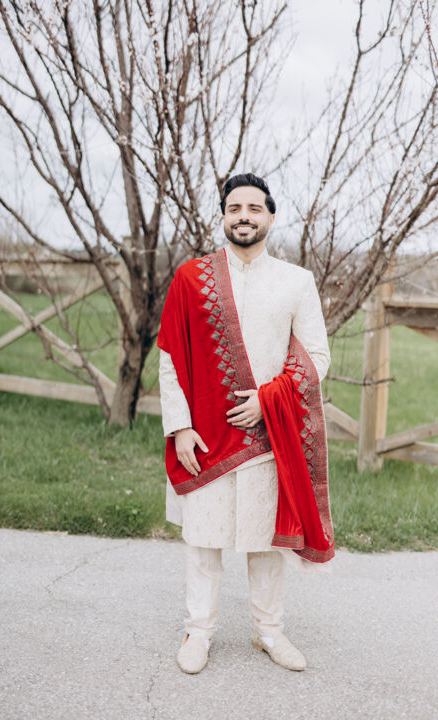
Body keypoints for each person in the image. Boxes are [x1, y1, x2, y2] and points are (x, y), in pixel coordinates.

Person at [157, 173, 334, 675]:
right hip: (205, 436)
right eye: (234, 208)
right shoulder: (192, 279)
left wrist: (267, 400)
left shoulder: (295, 281)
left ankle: (269, 632)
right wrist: (180, 427)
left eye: (254, 208)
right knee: (204, 539)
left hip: (269, 435)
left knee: (266, 544)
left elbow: (317, 357)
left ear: (270, 217)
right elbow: (170, 357)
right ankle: (198, 631)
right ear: (223, 216)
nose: (244, 217)